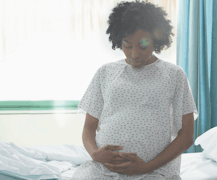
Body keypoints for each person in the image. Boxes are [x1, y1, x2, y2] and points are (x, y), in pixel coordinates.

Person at [69, 0, 198, 179]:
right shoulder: (105, 72)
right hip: (103, 170)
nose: (134, 54)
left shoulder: (174, 75)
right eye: (128, 46)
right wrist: (95, 154)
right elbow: (89, 129)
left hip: (155, 170)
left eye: (143, 46)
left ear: (156, 41)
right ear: (118, 40)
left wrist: (146, 167)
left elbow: (186, 136)